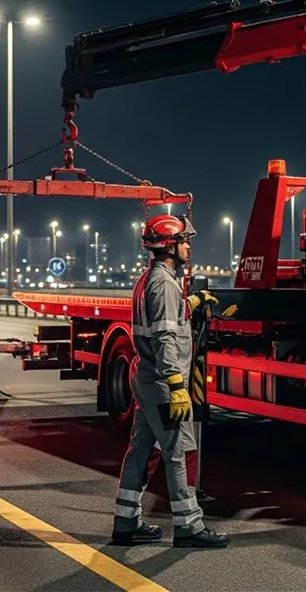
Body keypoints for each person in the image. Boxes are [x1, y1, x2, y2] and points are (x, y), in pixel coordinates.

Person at [111, 214, 229, 549]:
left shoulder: (154, 279)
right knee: (179, 451)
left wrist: (192, 302)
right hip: (163, 379)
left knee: (140, 449)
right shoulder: (163, 283)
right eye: (184, 242)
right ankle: (189, 526)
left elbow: (165, 316)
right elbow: (164, 337)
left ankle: (126, 523)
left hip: (147, 376)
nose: (189, 247)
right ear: (170, 245)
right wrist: (177, 387)